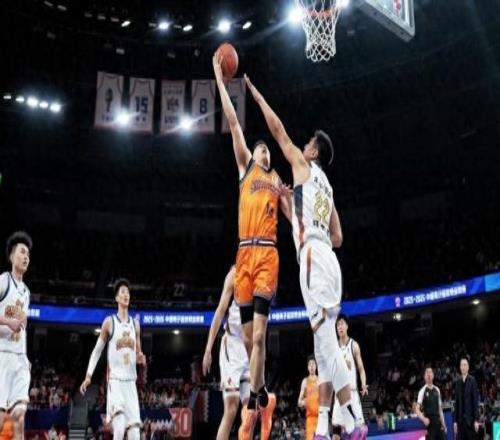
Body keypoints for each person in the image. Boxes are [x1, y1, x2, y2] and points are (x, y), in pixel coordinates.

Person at [245, 74, 366, 440]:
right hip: (328, 258)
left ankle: (355, 418)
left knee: (326, 342)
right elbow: (338, 236)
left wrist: (256, 94)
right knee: (320, 343)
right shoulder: (326, 186)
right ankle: (325, 428)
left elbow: (278, 131)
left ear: (313, 152)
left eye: (309, 143)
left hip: (312, 257)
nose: (304, 145)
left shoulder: (302, 163)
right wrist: (290, 204)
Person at [212, 54, 290, 440]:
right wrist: (218, 76)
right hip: (243, 254)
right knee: (247, 341)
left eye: (267, 150)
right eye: (261, 149)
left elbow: (295, 219)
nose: (265, 152)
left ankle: (256, 398)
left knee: (259, 337)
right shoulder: (246, 168)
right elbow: (232, 121)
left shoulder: (277, 181)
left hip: (267, 254)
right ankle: (260, 397)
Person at [80, 279, 146, 440]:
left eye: (128, 292)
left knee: (135, 434)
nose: (126, 295)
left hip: (130, 383)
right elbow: (97, 351)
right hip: (115, 380)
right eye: (122, 292)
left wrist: (141, 359)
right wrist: (88, 376)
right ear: (116, 298)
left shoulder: (135, 325)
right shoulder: (109, 323)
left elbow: (139, 354)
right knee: (119, 427)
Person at [0, 231, 33, 440]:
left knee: (19, 418)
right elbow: (12, 323)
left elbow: (22, 330)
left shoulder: (26, 292)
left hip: (20, 359)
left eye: (28, 254)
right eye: (22, 252)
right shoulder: (3, 281)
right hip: (2, 355)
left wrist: (25, 355)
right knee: (2, 421)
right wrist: (6, 321)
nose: (26, 257)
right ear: (12, 257)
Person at [332, 314, 367, 439]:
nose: (340, 327)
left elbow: (361, 369)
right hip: (339, 395)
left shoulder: (354, 345)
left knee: (360, 432)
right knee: (336, 431)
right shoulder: (333, 348)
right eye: (338, 325)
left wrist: (363, 384)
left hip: (352, 393)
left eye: (342, 324)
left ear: (347, 326)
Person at [415, 366, 447, 439]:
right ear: (424, 376)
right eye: (427, 372)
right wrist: (423, 419)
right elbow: (417, 410)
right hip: (429, 424)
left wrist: (444, 424)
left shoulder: (437, 390)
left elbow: (440, 410)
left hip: (438, 423)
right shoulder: (422, 391)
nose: (429, 374)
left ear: (433, 375)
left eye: (430, 372)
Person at [453, 357, 480, 440]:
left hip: (470, 421)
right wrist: (455, 421)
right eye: (461, 365)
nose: (463, 367)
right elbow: (456, 403)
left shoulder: (472, 380)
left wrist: (476, 420)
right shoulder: (457, 383)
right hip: (460, 422)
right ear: (460, 367)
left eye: (465, 365)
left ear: (468, 367)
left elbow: (475, 402)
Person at [298, 356, 320, 440]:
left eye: (313, 364)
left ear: (316, 366)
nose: (311, 366)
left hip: (321, 417)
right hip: (310, 418)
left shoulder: (320, 380)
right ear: (307, 367)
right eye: (310, 364)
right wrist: (305, 402)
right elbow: (299, 402)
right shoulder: (305, 381)